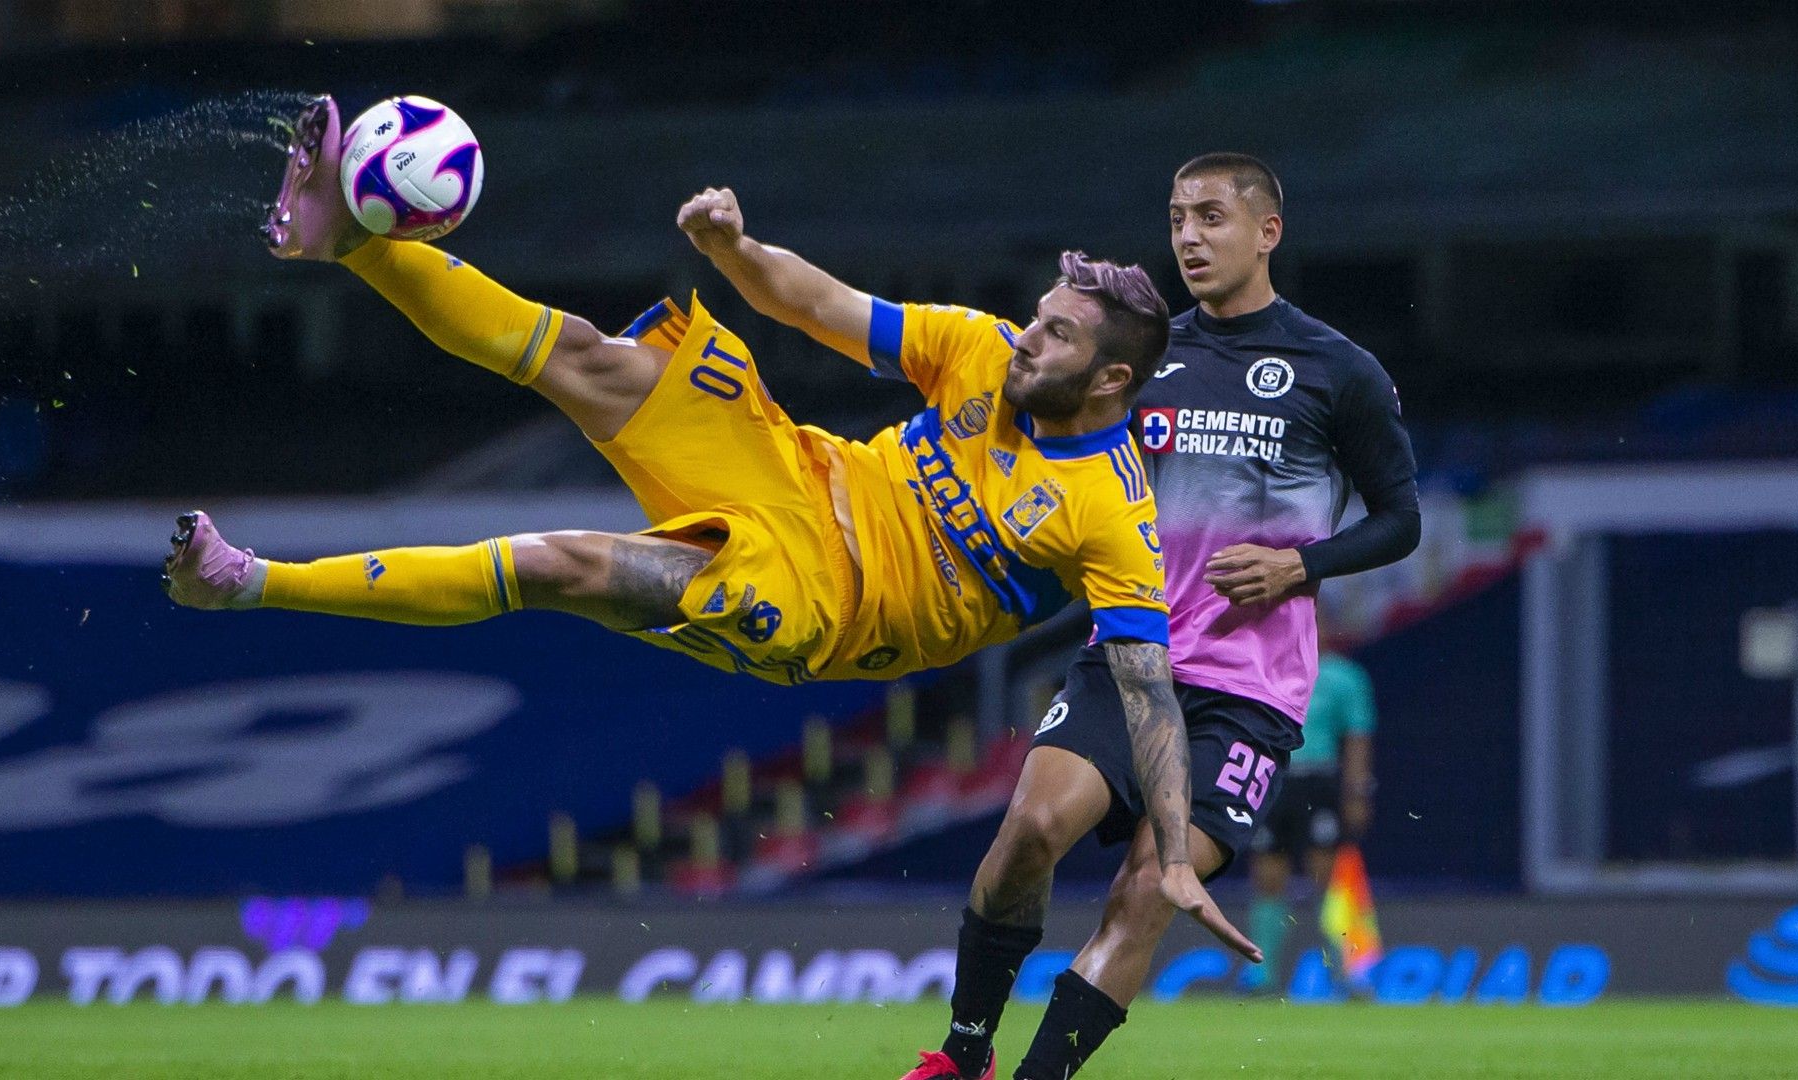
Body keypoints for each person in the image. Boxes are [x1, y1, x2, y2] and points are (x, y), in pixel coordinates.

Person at [163, 96, 1258, 947]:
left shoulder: (1112, 514)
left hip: (826, 604)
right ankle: (343, 240)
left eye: (1057, 340)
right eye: (1036, 319)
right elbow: (815, 305)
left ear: (1113, 377)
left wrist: (1170, 849)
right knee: (593, 357)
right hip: (800, 474)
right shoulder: (978, 346)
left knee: (566, 564)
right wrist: (735, 250)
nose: (1026, 341)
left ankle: (250, 582)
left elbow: (1148, 688)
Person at [876, 153, 1420, 1080]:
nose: (1189, 238)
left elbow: (1401, 518)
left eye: (1211, 217)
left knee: (1144, 890)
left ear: (1266, 232)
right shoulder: (1142, 356)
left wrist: (1301, 565)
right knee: (1032, 829)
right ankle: (964, 1053)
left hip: (1249, 694)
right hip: (1134, 655)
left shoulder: (1339, 370)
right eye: (1176, 219)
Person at [1237, 635, 1377, 993]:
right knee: (1268, 877)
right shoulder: (1265, 664)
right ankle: (1261, 976)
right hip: (1274, 777)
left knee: (1327, 878)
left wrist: (1357, 792)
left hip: (1320, 780)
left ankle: (1350, 971)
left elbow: (1358, 737)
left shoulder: (1345, 676)